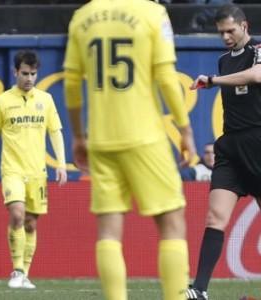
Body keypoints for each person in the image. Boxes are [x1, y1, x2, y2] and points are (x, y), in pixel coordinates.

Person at [63, 1, 197, 299]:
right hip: (144, 136)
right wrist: (185, 129)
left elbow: (71, 84)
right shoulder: (153, 13)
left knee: (109, 231)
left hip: (101, 138)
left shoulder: (82, 17)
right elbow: (165, 77)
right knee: (171, 222)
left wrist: (78, 136)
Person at [186, 5, 261, 300]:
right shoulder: (222, 60)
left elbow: (256, 76)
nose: (226, 37)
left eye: (231, 30)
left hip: (258, 142)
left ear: (245, 25)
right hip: (230, 146)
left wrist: (213, 81)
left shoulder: (258, 50)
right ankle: (199, 290)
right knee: (215, 216)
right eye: (221, 33)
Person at [0, 50, 67, 289]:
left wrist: (61, 163)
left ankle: (24, 274)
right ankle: (17, 270)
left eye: (33, 74)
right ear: (15, 72)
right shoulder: (2, 101)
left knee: (30, 223)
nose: (29, 78)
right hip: (12, 171)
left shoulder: (46, 100)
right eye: (25, 74)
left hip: (38, 172)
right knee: (17, 214)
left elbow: (55, 131)